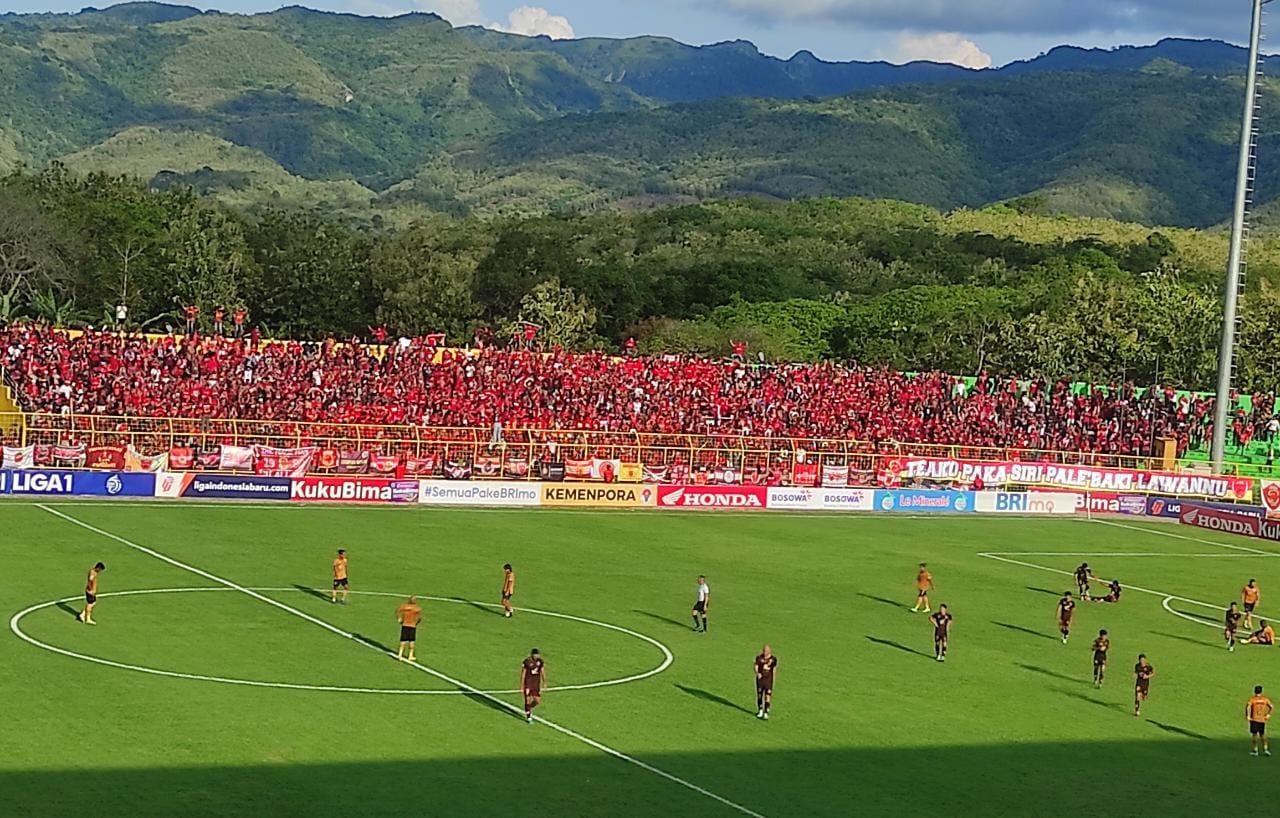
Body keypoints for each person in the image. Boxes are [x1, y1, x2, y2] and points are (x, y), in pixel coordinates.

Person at [521, 648, 546, 724]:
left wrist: (544, 681)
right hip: (528, 683)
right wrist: (522, 684)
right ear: (532, 654)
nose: (536, 656)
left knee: (537, 701)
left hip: (536, 684)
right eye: (535, 655)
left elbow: (542, 671)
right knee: (527, 699)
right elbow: (523, 673)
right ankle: (528, 716)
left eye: (537, 655)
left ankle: (528, 708)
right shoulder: (527, 661)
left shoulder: (540, 661)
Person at [1248, 685, 1274, 756]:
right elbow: (1271, 707)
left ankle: (1255, 750)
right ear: (1261, 691)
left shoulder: (1253, 699)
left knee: (1254, 735)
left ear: (1254, 691)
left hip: (1254, 719)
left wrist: (1248, 716)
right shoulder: (1265, 699)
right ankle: (1266, 749)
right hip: (1262, 720)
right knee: (1262, 735)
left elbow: (1248, 706)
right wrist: (1268, 715)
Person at [754, 644, 778, 719]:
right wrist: (757, 673)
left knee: (767, 696)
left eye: (766, 651)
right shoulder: (759, 658)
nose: (765, 652)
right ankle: (760, 710)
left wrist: (773, 680)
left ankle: (766, 712)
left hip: (768, 680)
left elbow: (774, 670)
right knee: (760, 695)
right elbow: (755, 666)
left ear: (769, 651)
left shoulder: (773, 659)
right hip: (760, 680)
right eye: (764, 651)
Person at [395, 596, 421, 662]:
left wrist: (399, 619)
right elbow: (419, 618)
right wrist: (416, 623)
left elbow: (397, 611)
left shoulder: (404, 606)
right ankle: (410, 656)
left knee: (403, 641)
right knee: (411, 641)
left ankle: (400, 655)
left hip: (405, 625)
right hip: (412, 626)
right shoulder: (417, 608)